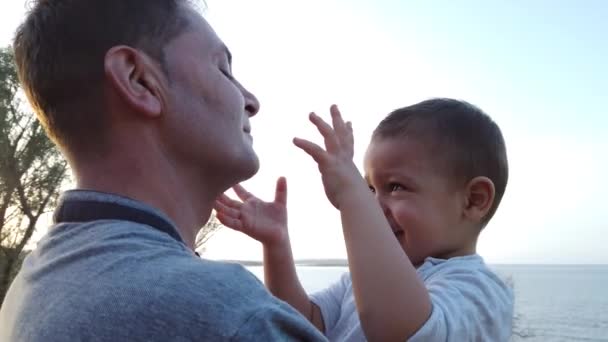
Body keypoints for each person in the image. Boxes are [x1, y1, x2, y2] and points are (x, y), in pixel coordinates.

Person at [0, 1, 328, 341]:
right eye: (224, 69)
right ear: (138, 80)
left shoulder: (32, 282)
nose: (252, 101)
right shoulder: (227, 315)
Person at [215, 99, 514, 341]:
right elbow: (304, 323)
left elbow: (399, 331)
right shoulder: (358, 281)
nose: (372, 204)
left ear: (473, 200)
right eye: (369, 188)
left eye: (396, 187)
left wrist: (351, 194)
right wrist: (277, 244)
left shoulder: (479, 290)